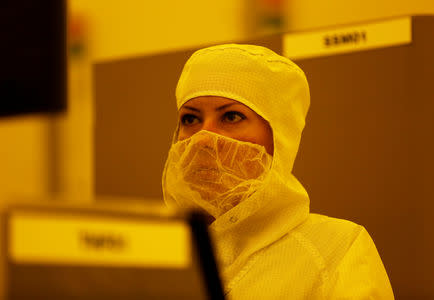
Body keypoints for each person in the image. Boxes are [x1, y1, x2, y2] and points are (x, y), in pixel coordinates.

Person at [162, 44, 394, 299]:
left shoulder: (336, 249)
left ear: (280, 137)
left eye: (231, 117)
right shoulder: (156, 249)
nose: (203, 139)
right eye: (190, 119)